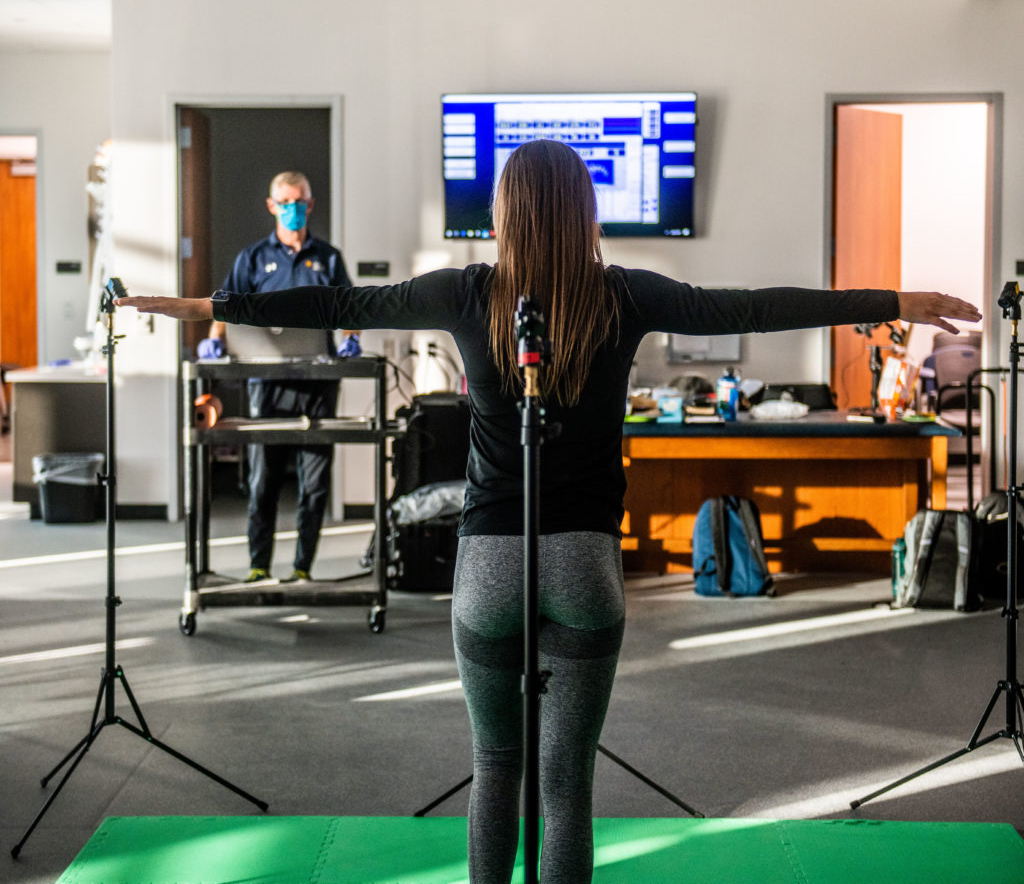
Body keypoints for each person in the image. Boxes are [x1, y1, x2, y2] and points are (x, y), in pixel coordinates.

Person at [119, 139, 980, 884]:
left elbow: (340, 305)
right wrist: (895, 303)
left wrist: (207, 306)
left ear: (505, 212)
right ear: (584, 211)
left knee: (497, 765)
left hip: (489, 567)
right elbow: (753, 306)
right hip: (587, 570)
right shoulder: (627, 294)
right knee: (565, 779)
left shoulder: (467, 293)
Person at [201, 171, 353, 584]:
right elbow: (223, 308)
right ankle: (258, 566)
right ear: (271, 205)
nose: (292, 208)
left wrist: (351, 339)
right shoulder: (251, 259)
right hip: (266, 386)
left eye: (298, 200)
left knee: (315, 484)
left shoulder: (330, 258)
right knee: (263, 480)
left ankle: (303, 568)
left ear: (310, 203)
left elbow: (352, 311)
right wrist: (214, 340)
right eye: (284, 201)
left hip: (318, 386)